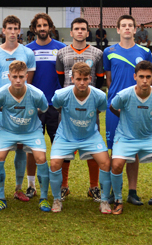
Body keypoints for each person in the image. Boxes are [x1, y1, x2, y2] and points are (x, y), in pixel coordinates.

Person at [107, 60, 152, 216]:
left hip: (150, 136)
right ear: (135, 77)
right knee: (117, 165)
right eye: (141, 77)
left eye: (148, 77)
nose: (144, 80)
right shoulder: (124, 94)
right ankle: (118, 200)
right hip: (125, 137)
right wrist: (125, 119)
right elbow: (112, 106)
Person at [54, 17, 105, 202]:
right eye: (76, 28)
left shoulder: (97, 53)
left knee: (93, 147)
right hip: (68, 106)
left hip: (89, 106)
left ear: (87, 31)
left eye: (83, 29)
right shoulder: (62, 53)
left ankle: (94, 187)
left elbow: (99, 80)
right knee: (66, 148)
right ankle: (64, 186)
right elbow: (60, 79)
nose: (80, 32)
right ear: (71, 32)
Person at [103, 15, 152, 205]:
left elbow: (149, 79)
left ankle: (132, 191)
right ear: (117, 29)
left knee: (133, 151)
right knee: (114, 149)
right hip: (115, 106)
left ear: (135, 28)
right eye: (123, 25)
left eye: (130, 25)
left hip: (137, 106)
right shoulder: (109, 51)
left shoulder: (145, 52)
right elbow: (109, 80)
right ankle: (113, 191)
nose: (126, 28)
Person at [49, 62, 109, 213]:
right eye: (78, 79)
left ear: (90, 78)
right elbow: (57, 106)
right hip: (66, 136)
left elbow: (100, 110)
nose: (82, 83)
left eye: (85, 79)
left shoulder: (100, 95)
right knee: (55, 163)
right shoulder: (61, 94)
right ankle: (57, 199)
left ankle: (105, 200)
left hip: (90, 136)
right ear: (72, 78)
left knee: (106, 163)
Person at [0, 60, 49, 212]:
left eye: (21, 77)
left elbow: (44, 108)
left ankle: (43, 198)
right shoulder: (0, 94)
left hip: (31, 131)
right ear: (9, 76)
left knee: (41, 158)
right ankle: (1, 198)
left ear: (26, 76)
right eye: (15, 76)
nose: (18, 80)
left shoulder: (37, 94)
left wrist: (28, 118)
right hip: (8, 131)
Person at [0, 15, 36, 203]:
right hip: (1, 108)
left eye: (16, 28)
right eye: (9, 28)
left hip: (21, 109)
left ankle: (18, 188)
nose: (12, 31)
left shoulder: (27, 53)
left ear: (20, 31)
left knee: (20, 147)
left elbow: (29, 82)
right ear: (3, 31)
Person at [25, 13, 67, 200]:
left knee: (59, 147)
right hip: (34, 106)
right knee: (32, 148)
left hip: (55, 105)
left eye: (45, 25)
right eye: (39, 26)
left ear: (50, 27)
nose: (42, 28)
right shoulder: (27, 50)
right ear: (34, 29)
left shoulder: (61, 49)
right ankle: (31, 185)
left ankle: (63, 185)